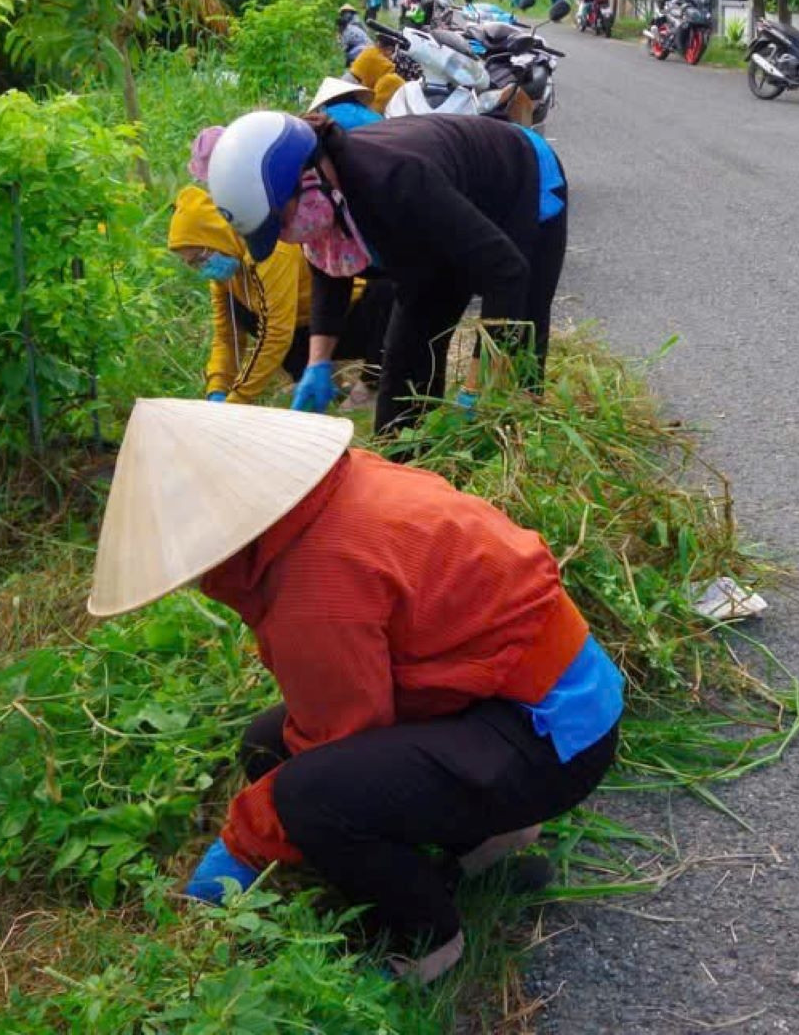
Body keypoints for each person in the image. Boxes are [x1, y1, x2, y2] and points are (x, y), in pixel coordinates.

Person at [86, 398, 623, 983]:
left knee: (309, 797)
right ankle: (487, 838)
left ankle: (428, 939)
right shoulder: (337, 488)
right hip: (524, 696)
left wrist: (240, 849)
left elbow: (345, 738)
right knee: (266, 745)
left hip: (550, 736)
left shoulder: (318, 576)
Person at [206, 110, 569, 435]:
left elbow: (506, 272)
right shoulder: (326, 195)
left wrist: (474, 391)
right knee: (403, 367)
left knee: (517, 352)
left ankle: (510, 462)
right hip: (435, 218)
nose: (286, 235)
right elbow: (329, 271)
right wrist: (319, 362)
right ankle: (406, 463)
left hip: (519, 181)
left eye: (280, 221)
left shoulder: (397, 180)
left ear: (307, 177)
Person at [174, 132, 391, 404]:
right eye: (193, 264)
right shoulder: (224, 269)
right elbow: (226, 334)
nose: (202, 267)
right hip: (304, 321)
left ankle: (372, 382)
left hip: (346, 312)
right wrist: (217, 388)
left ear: (214, 237)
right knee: (245, 313)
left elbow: (278, 330)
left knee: (385, 294)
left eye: (199, 258)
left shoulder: (270, 249)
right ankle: (313, 379)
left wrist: (237, 401)